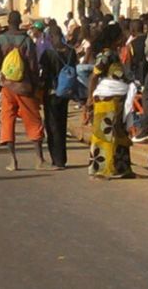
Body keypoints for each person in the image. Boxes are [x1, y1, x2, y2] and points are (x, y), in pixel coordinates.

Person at [0, 10, 48, 171]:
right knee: (33, 121)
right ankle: (39, 160)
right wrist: (35, 86)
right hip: (24, 86)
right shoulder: (26, 41)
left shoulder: (0, 40)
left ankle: (13, 161)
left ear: (8, 22)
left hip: (6, 86)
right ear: (19, 22)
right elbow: (33, 66)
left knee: (7, 120)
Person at [86, 23, 134, 179]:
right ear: (114, 39)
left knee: (119, 133)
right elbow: (94, 76)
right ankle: (103, 169)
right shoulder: (106, 55)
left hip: (116, 99)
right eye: (120, 36)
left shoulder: (114, 54)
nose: (123, 39)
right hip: (107, 100)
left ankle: (121, 168)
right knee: (106, 134)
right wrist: (89, 99)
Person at [40, 26, 77, 169]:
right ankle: (63, 158)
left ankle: (57, 160)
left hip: (51, 93)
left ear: (50, 37)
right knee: (62, 124)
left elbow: (44, 75)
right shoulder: (71, 52)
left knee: (52, 126)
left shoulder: (48, 54)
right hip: (66, 92)